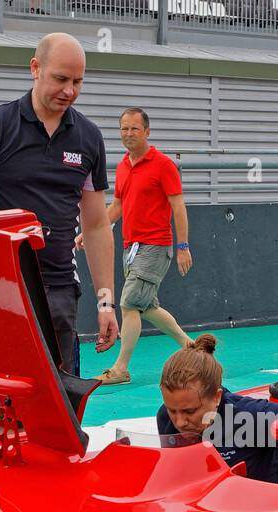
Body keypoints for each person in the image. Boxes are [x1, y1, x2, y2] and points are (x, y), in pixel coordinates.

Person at [0, 32, 119, 423]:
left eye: (78, 82)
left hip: (60, 291)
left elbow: (94, 225)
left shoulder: (89, 137)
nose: (70, 90)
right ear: (35, 69)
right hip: (4, 296)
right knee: (10, 410)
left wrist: (106, 301)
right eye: (61, 79)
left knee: (62, 410)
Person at [86, 108, 195, 386]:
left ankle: (121, 368)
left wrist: (182, 246)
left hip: (156, 246)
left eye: (134, 129)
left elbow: (178, 207)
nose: (128, 134)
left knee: (129, 303)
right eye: (124, 129)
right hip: (130, 248)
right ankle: (190, 347)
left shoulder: (163, 165)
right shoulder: (123, 165)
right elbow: (118, 207)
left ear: (147, 132)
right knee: (146, 307)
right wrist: (89, 233)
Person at [157, 335, 278, 481]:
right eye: (172, 410)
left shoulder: (250, 417)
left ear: (217, 397)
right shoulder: (164, 418)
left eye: (190, 411)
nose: (179, 422)